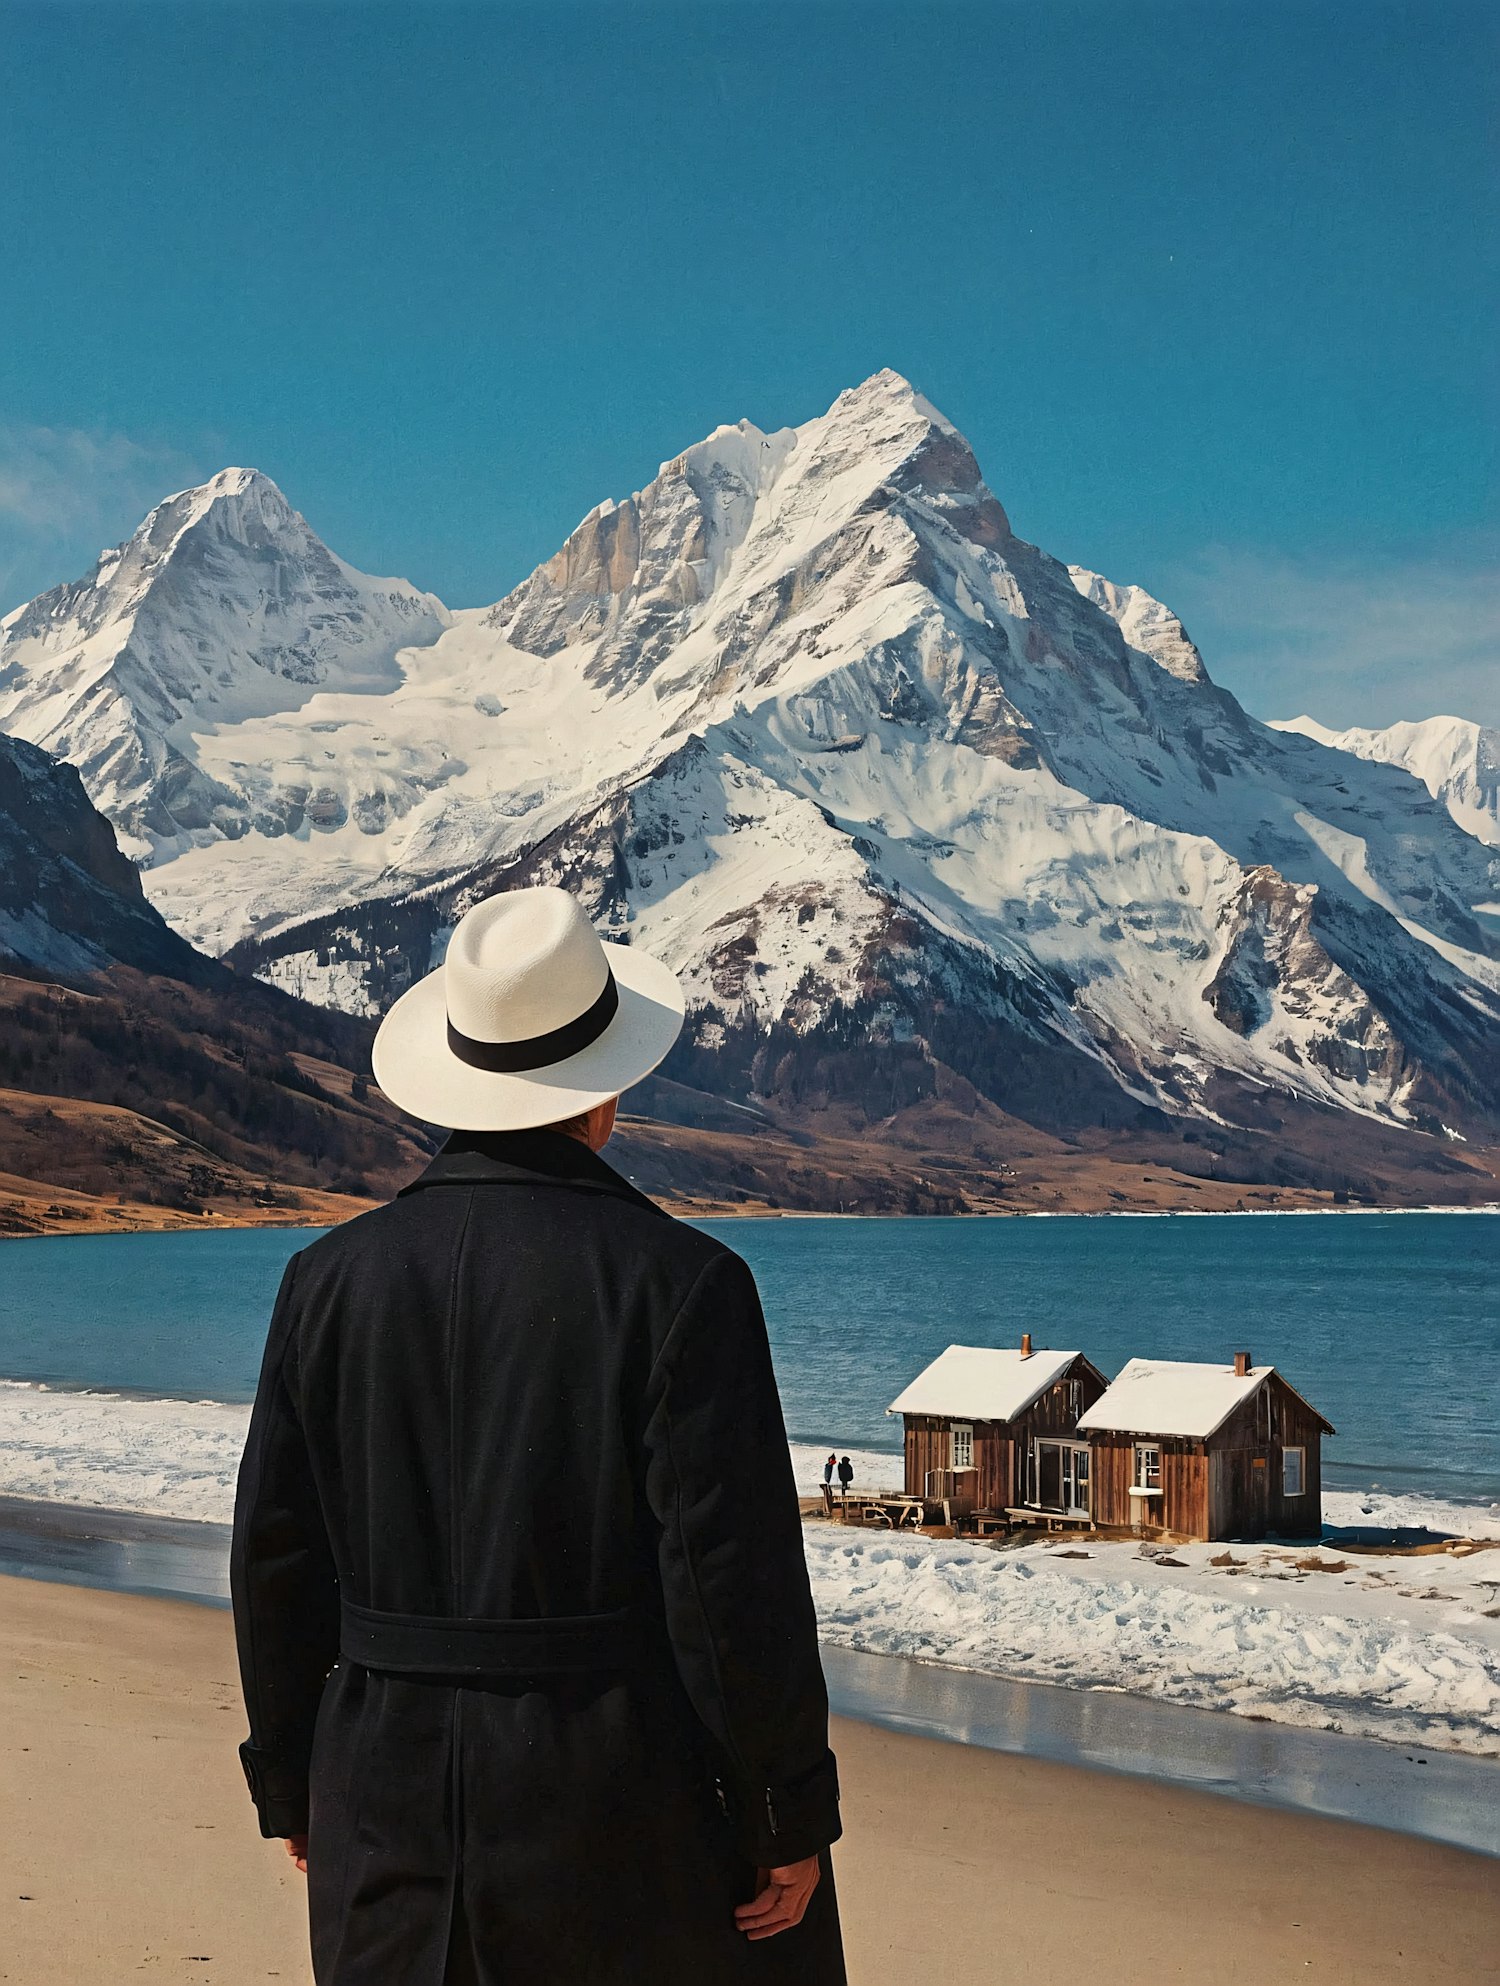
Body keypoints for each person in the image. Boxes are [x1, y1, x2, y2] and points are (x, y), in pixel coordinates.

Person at [230, 886, 845, 1985]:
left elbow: (276, 1558)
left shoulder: (321, 1281)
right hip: (614, 1799)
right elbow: (727, 1583)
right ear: (603, 1098)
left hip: (380, 1786)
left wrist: (291, 1777)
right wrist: (783, 1807)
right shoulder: (686, 1285)